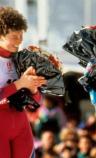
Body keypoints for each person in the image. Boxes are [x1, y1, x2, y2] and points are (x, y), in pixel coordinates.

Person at [0, 7, 46, 158]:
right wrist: (20, 84)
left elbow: (36, 102)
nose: (19, 41)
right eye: (14, 36)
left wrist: (33, 89)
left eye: (21, 35)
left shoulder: (22, 59)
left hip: (20, 123)